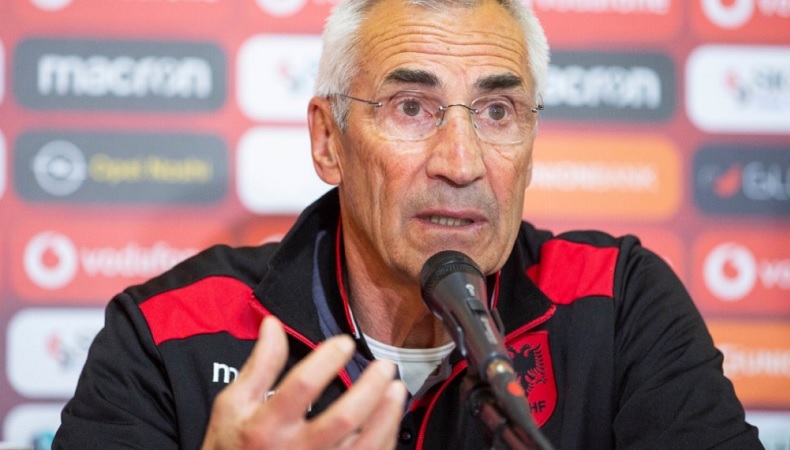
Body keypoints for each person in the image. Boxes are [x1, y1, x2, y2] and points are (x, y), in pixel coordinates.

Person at [53, 0, 763, 448]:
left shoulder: (617, 302)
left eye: (497, 112)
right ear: (328, 141)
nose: (461, 163)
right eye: (412, 108)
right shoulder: (168, 332)